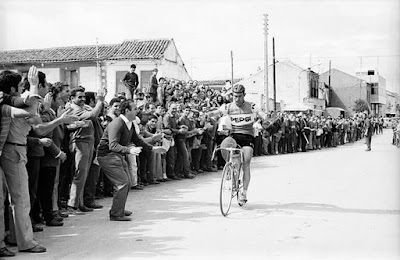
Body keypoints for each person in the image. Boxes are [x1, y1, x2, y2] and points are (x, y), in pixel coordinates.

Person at [96, 99, 164, 221]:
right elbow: (113, 145)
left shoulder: (130, 123)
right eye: (134, 109)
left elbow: (137, 140)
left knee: (126, 182)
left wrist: (152, 148)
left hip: (116, 155)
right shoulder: (117, 123)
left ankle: (118, 208)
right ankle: (116, 214)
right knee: (123, 183)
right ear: (127, 111)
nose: (137, 111)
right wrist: (129, 150)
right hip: (107, 156)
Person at [208, 84, 271, 205]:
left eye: (239, 96)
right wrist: (208, 114)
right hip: (234, 136)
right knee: (228, 150)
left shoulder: (251, 106)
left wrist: (265, 118)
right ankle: (231, 171)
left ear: (244, 95)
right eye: (235, 96)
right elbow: (217, 112)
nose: (237, 99)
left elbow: (261, 114)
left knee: (246, 161)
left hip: (248, 137)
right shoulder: (228, 107)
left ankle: (244, 193)